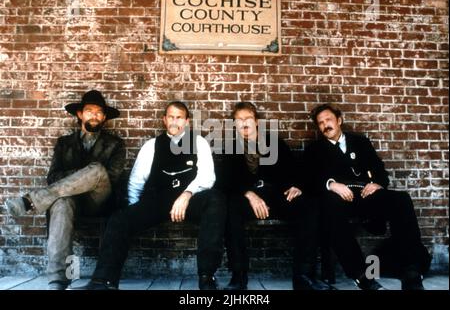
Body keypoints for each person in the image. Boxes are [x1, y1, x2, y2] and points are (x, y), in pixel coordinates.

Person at [69, 101, 226, 290]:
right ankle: (103, 281)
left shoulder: (199, 142)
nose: (174, 121)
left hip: (189, 201)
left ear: (186, 121)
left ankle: (207, 277)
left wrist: (187, 194)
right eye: (170, 117)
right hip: (158, 201)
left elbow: (207, 176)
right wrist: (135, 213)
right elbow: (136, 181)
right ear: (164, 119)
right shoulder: (152, 146)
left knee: (216, 199)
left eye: (179, 117)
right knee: (120, 219)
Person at [4, 90, 126, 290]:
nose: (94, 115)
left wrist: (83, 175)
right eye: (89, 111)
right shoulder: (64, 143)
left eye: (98, 112)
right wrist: (79, 178)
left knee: (96, 170)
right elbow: (52, 177)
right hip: (70, 201)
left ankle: (29, 201)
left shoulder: (115, 144)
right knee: (60, 204)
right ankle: (58, 280)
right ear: (80, 114)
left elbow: (111, 178)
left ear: (104, 117)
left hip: (100, 200)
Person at [303, 103, 431, 290]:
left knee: (401, 200)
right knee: (329, 207)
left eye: (328, 120)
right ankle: (360, 274)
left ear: (339, 120)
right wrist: (331, 184)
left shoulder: (360, 142)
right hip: (338, 201)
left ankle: (411, 270)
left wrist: (376, 184)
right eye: (321, 123)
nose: (325, 125)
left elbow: (380, 172)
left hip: (366, 195)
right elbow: (309, 181)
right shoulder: (314, 150)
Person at [223, 102, 328, 290]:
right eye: (238, 120)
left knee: (309, 205)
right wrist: (249, 194)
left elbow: (296, 170)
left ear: (256, 122)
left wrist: (297, 186)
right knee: (230, 207)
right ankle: (238, 277)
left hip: (277, 196)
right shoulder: (230, 147)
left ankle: (303, 275)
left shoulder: (274, 142)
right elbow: (224, 181)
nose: (243, 123)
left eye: (247, 118)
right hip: (248, 199)